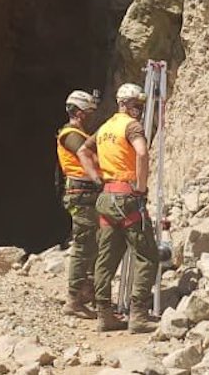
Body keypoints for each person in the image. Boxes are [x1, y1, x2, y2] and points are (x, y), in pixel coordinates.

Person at [77, 83, 159, 333]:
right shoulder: (131, 126)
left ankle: (104, 315)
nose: (140, 110)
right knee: (147, 255)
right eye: (138, 105)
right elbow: (142, 154)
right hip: (127, 197)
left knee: (107, 257)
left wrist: (96, 178)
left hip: (106, 197)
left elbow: (82, 150)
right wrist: (142, 188)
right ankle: (139, 316)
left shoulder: (105, 127)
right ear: (129, 104)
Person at [57, 90, 101, 319]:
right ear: (79, 112)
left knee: (93, 242)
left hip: (87, 193)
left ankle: (85, 290)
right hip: (81, 192)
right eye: (89, 111)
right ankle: (73, 299)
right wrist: (98, 178)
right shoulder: (71, 134)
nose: (91, 115)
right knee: (84, 244)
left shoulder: (79, 133)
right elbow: (85, 154)